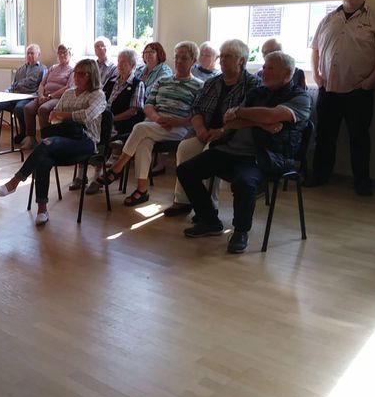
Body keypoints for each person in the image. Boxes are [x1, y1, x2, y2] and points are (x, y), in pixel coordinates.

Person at [177, 51, 311, 253]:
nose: (263, 71)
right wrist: (261, 122)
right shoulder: (257, 93)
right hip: (231, 149)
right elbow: (230, 120)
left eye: (270, 68)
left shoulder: (300, 97)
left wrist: (242, 113)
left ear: (286, 73)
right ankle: (209, 220)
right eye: (263, 67)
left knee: (244, 182)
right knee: (186, 170)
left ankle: (241, 231)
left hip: (266, 155)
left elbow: (271, 114)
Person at [0, 59, 106, 225]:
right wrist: (61, 116)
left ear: (92, 76)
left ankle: (14, 182)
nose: (77, 77)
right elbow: (54, 115)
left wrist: (64, 115)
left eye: (82, 74)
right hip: (64, 137)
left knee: (47, 143)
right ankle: (42, 209)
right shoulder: (69, 93)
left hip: (86, 141)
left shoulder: (97, 95)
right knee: (44, 159)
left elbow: (87, 116)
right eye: (76, 73)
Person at [97, 41, 204, 206]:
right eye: (177, 57)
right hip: (155, 124)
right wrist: (157, 118)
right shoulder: (163, 81)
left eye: (184, 58)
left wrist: (175, 121)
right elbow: (148, 105)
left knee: (140, 128)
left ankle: (117, 168)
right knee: (144, 142)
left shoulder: (199, 85)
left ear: (193, 61)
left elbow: (198, 114)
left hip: (179, 128)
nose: (179, 61)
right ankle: (142, 190)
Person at [307, 0, 375, 196]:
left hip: (359, 90)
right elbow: (315, 49)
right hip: (328, 89)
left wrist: (372, 80)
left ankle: (362, 182)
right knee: (324, 136)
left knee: (359, 138)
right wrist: (317, 75)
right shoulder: (328, 19)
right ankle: (320, 175)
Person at [163, 39, 260, 217]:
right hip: (205, 131)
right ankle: (182, 201)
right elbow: (196, 108)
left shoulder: (252, 84)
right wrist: (200, 129)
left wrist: (222, 131)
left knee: (209, 152)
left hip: (231, 137)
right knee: (185, 148)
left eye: (228, 56)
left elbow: (247, 116)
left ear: (241, 61)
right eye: (222, 56)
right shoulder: (212, 82)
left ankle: (209, 208)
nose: (222, 60)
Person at [74, 47, 145, 195]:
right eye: (119, 62)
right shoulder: (112, 81)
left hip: (120, 124)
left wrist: (111, 119)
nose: (119, 65)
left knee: (101, 135)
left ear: (132, 65)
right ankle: (81, 175)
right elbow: (99, 98)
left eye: (124, 63)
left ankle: (96, 178)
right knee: (82, 129)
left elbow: (133, 111)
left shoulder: (137, 84)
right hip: (101, 119)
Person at [0, 43, 45, 149]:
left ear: (38, 54)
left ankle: (23, 133)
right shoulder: (21, 69)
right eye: (28, 53)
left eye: (32, 53)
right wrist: (6, 92)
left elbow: (42, 87)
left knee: (19, 108)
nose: (29, 55)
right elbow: (12, 85)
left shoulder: (42, 69)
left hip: (28, 97)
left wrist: (32, 96)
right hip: (13, 95)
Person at [20, 44, 74, 149]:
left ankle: (46, 140)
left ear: (70, 54)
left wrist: (50, 96)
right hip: (44, 96)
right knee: (28, 108)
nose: (62, 55)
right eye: (60, 53)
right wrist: (41, 95)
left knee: (43, 109)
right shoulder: (53, 68)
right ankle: (31, 139)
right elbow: (42, 84)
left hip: (58, 98)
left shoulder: (72, 69)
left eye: (65, 53)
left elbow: (68, 87)